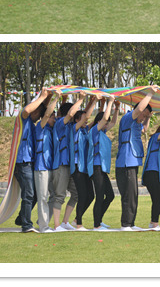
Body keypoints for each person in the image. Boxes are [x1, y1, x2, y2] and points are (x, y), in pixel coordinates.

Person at [115, 86, 157, 231]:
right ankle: (126, 224)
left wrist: (148, 118)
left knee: (133, 194)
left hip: (132, 162)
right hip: (125, 163)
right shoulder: (128, 118)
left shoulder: (137, 124)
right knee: (129, 195)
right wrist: (150, 93)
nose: (143, 118)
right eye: (143, 115)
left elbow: (144, 129)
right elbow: (139, 109)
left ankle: (130, 223)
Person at [14, 88, 51, 232]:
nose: (39, 117)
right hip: (22, 162)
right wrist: (42, 96)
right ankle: (26, 225)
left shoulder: (31, 123)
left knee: (34, 194)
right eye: (38, 114)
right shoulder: (24, 118)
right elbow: (28, 110)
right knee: (29, 193)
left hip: (30, 162)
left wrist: (49, 96)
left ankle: (21, 218)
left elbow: (41, 108)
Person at [49, 92, 84, 231]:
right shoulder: (59, 123)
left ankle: (64, 222)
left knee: (76, 193)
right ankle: (57, 225)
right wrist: (81, 99)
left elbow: (83, 117)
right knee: (59, 195)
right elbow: (69, 114)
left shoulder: (70, 126)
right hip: (60, 165)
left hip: (69, 165)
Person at [87, 95, 119, 230]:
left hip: (102, 168)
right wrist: (110, 102)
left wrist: (117, 108)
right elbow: (106, 119)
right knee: (100, 196)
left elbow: (113, 122)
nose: (107, 125)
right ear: (99, 122)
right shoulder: (94, 130)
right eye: (105, 123)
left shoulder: (102, 132)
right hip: (96, 167)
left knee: (110, 195)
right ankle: (96, 225)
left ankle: (99, 220)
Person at [68, 94, 98, 230]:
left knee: (91, 195)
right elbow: (86, 117)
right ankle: (79, 224)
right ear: (76, 120)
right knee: (82, 195)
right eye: (83, 119)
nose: (86, 121)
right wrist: (95, 100)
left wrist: (97, 103)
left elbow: (93, 121)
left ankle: (76, 220)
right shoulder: (73, 129)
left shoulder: (85, 130)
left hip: (85, 167)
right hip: (76, 166)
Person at [33, 91, 58, 233]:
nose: (54, 119)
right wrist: (56, 97)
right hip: (41, 167)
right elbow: (47, 114)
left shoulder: (51, 129)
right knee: (43, 197)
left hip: (50, 167)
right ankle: (43, 226)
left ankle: (42, 220)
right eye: (52, 117)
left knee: (54, 195)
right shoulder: (40, 128)